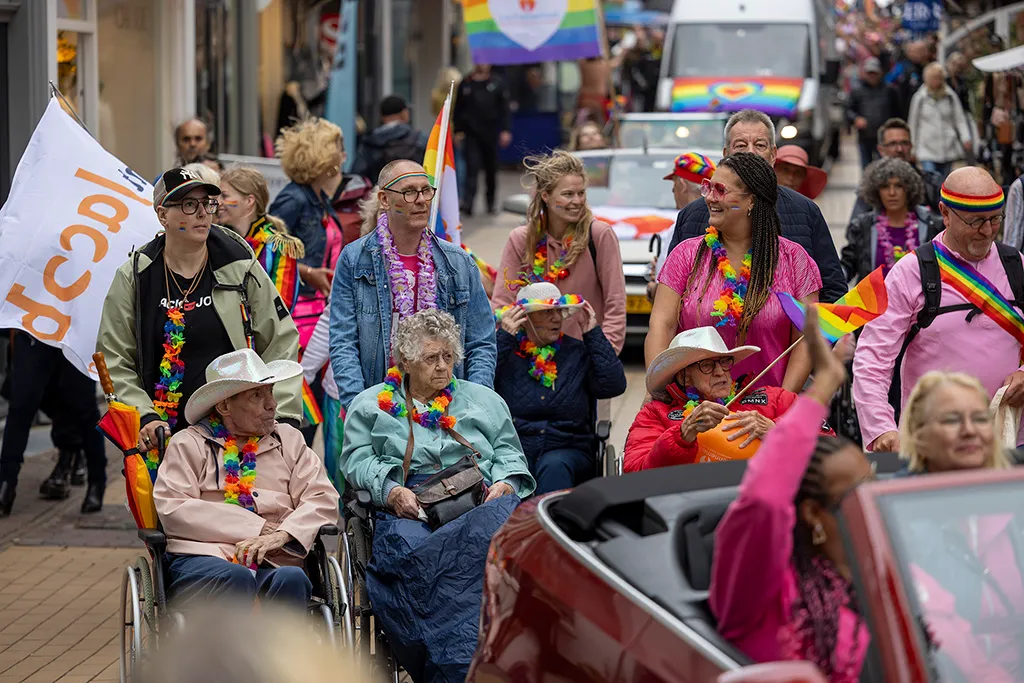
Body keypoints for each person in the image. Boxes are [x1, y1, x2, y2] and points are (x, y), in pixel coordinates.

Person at [341, 310, 535, 683]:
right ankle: (456, 664)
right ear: (406, 361)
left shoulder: (483, 400)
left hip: (479, 502)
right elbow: (356, 461)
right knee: (405, 553)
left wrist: (506, 483)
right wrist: (392, 490)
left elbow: (510, 454)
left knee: (504, 534)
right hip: (410, 506)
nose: (443, 366)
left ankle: (492, 651)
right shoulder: (370, 406)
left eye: (449, 356)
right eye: (432, 358)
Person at [710, 306, 875, 682]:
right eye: (856, 494)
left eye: (873, 486)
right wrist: (824, 386)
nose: (872, 501)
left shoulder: (878, 571)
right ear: (815, 514)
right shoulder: (763, 591)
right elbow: (764, 501)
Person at [97, 167, 302, 458]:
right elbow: (115, 357)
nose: (203, 213)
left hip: (239, 429)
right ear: (162, 215)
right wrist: (144, 415)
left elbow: (280, 337)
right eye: (189, 205)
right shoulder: (137, 274)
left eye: (208, 204)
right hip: (164, 434)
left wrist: (282, 416)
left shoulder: (238, 262)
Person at [853, 167, 1024, 453]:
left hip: (1013, 439)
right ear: (944, 213)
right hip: (935, 443)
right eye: (975, 221)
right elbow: (873, 357)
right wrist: (881, 427)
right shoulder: (911, 272)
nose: (987, 231)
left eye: (995, 219)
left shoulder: (1016, 265)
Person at [154, 349, 338, 608]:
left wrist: (284, 533)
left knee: (292, 578)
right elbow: (173, 508)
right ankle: (229, 648)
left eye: (271, 392)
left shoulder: (288, 440)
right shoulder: (188, 444)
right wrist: (256, 527)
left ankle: (285, 648)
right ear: (224, 405)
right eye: (256, 395)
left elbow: (323, 497)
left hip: (276, 557)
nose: (271, 404)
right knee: (235, 576)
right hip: (205, 560)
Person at [330, 160, 496, 412]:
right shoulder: (355, 259)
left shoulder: (458, 262)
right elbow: (343, 341)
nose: (421, 200)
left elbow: (481, 342)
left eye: (426, 190)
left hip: (448, 407)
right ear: (384, 199)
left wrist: (472, 404)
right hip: (378, 404)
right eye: (409, 192)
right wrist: (359, 406)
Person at [649, 152, 822, 394]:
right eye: (707, 187)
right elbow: (662, 325)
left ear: (751, 200)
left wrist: (782, 404)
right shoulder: (685, 255)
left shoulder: (794, 260)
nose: (709, 197)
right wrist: (656, 392)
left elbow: (805, 341)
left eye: (720, 189)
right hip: (693, 413)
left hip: (766, 416)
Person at [666, 110, 846, 303]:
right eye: (741, 145)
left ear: (773, 154)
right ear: (726, 155)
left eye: (760, 145)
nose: (751, 152)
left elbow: (832, 289)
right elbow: (672, 293)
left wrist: (812, 331)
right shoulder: (693, 215)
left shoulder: (805, 211)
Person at [625, 327, 835, 472]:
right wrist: (682, 435)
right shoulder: (656, 413)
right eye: (706, 365)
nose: (719, 372)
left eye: (724, 362)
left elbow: (830, 446)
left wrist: (778, 431)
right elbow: (635, 473)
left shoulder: (775, 398)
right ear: (683, 376)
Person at [494, 283, 626, 494]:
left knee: (553, 464)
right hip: (518, 448)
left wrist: (593, 334)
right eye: (547, 312)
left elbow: (613, 385)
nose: (556, 318)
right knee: (512, 471)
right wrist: (503, 338)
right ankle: (512, 527)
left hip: (569, 448)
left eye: (558, 311)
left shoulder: (576, 352)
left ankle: (551, 526)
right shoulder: (507, 354)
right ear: (525, 318)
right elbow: (482, 386)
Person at [491, 150, 628, 354]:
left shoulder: (599, 235)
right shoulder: (521, 238)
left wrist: (606, 353)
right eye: (568, 194)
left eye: (581, 193)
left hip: (584, 358)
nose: (577, 201)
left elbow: (615, 302)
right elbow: (502, 302)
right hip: (530, 360)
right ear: (545, 195)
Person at [0, 334, 107, 517]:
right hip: (35, 328)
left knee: (84, 406)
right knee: (21, 404)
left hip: (75, 330)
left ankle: (97, 480)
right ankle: (6, 482)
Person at [269, 118, 345, 348]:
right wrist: (309, 272)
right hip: (300, 309)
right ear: (325, 156)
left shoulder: (320, 198)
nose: (344, 156)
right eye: (340, 149)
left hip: (320, 306)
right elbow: (269, 252)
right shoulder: (293, 199)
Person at [218, 166, 305, 313]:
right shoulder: (219, 240)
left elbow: (281, 308)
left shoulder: (279, 246)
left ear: (249, 201)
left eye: (224, 196)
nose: (218, 202)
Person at [842, 157, 942, 283]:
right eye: (885, 187)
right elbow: (847, 266)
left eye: (898, 186)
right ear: (876, 191)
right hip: (874, 301)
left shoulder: (932, 225)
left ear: (909, 189)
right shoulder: (863, 226)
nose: (892, 193)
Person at [849, 118, 942, 220]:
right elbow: (855, 228)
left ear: (911, 146)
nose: (899, 149)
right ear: (881, 150)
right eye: (892, 144)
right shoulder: (870, 185)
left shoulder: (932, 183)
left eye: (904, 143)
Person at [453, 64, 512, 216]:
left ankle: (491, 202)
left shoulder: (497, 83)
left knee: (491, 169)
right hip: (471, 133)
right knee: (471, 168)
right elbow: (458, 109)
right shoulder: (466, 83)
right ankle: (468, 202)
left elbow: (505, 108)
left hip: (490, 132)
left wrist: (505, 129)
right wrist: (457, 131)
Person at [908, 62, 973, 180]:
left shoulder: (950, 96)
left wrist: (966, 138)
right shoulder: (920, 98)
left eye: (939, 78)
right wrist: (912, 148)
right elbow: (913, 124)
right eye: (933, 78)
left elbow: (959, 119)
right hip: (926, 147)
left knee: (944, 180)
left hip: (947, 146)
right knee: (931, 178)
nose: (936, 81)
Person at [350, 95, 429, 191]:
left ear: (382, 116)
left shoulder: (370, 142)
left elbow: (356, 176)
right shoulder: (420, 140)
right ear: (404, 113)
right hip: (415, 197)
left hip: (379, 200)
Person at [846, 57, 902, 168]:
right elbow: (848, 110)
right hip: (865, 136)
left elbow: (898, 112)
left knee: (885, 167)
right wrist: (856, 119)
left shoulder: (889, 90)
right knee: (866, 167)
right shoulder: (857, 91)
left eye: (874, 73)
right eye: (869, 73)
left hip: (884, 137)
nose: (872, 76)